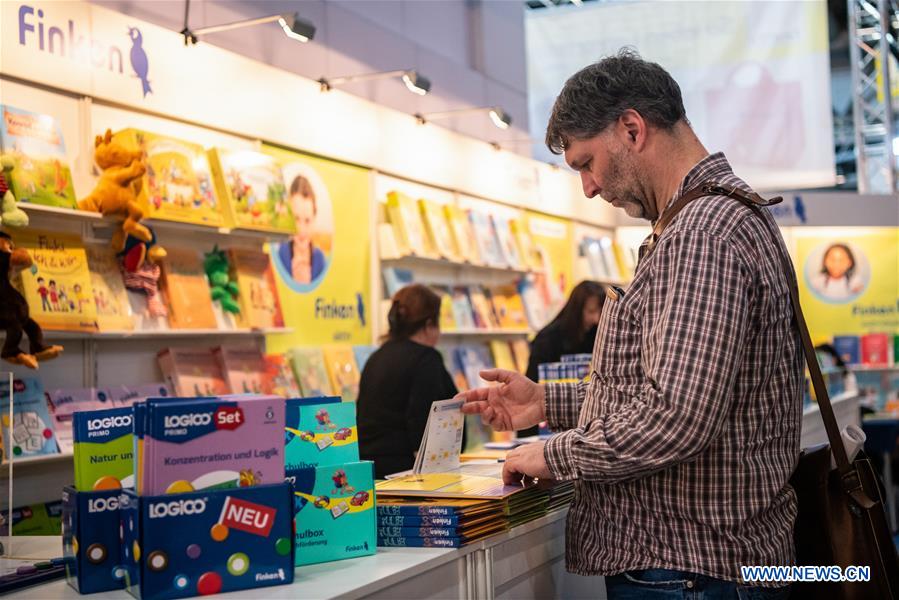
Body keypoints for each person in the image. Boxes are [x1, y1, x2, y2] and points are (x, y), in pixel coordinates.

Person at [459, 49, 801, 598]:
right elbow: (674, 389)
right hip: (709, 567)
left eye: (586, 163)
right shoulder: (711, 220)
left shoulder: (702, 236)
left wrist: (551, 453)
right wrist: (549, 403)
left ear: (632, 128)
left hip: (692, 568)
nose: (589, 187)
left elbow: (675, 417)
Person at [357, 284, 458, 478]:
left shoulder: (377, 356)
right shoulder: (427, 358)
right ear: (429, 324)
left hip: (367, 469)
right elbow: (422, 419)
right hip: (403, 470)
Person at [519, 280, 605, 437]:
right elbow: (532, 385)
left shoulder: (599, 335)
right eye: (591, 311)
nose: (596, 319)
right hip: (544, 425)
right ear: (577, 310)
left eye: (600, 312)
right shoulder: (548, 339)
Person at [278, 174, 325, 284]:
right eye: (296, 219)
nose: (301, 230)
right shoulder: (280, 254)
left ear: (314, 218)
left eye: (307, 220)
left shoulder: (320, 260)